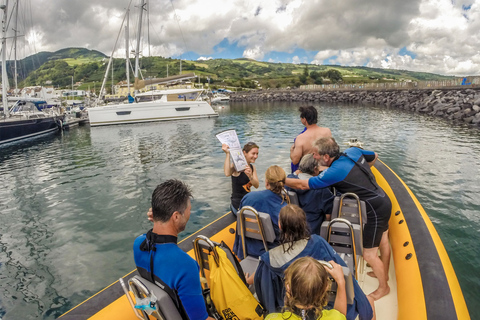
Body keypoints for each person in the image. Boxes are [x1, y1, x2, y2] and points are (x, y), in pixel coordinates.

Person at [285, 137, 391, 301]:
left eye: (316, 155)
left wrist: (281, 179)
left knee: (369, 254)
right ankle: (385, 274)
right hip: (382, 199)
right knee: (383, 239)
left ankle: (384, 287)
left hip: (374, 210)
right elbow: (374, 156)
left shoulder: (334, 172)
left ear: (326, 157)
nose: (315, 158)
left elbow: (302, 185)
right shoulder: (352, 152)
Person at [253, 205, 374, 320]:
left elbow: (265, 291)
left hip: (287, 308)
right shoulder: (319, 243)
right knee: (369, 300)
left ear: (280, 225)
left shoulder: (269, 259)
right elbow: (344, 273)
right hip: (326, 305)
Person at [133, 179, 215, 320]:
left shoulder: (138, 244)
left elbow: (154, 239)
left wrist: (160, 219)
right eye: (188, 210)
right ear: (176, 216)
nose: (189, 214)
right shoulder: (185, 266)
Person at [233, 165, 289, 260]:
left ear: (267, 183)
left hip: (248, 250)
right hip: (272, 255)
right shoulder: (284, 209)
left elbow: (240, 228)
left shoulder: (248, 198)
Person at [265, 256, 347, 320]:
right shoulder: (335, 317)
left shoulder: (272, 318)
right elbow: (340, 315)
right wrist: (341, 282)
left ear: (288, 287)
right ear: (326, 288)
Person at [286, 153, 335, 234]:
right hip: (313, 231)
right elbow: (329, 215)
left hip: (292, 229)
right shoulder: (321, 189)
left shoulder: (289, 182)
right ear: (315, 169)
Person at [290, 106, 332, 173]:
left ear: (304, 120)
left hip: (308, 172)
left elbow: (295, 161)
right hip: (324, 169)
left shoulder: (300, 138)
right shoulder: (327, 132)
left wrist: (291, 151)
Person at [222, 141, 260, 213]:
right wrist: (227, 154)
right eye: (253, 153)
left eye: (257, 154)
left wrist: (250, 176)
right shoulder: (237, 166)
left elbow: (256, 185)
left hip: (247, 201)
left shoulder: (252, 167)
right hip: (237, 204)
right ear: (245, 153)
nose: (256, 156)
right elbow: (227, 173)